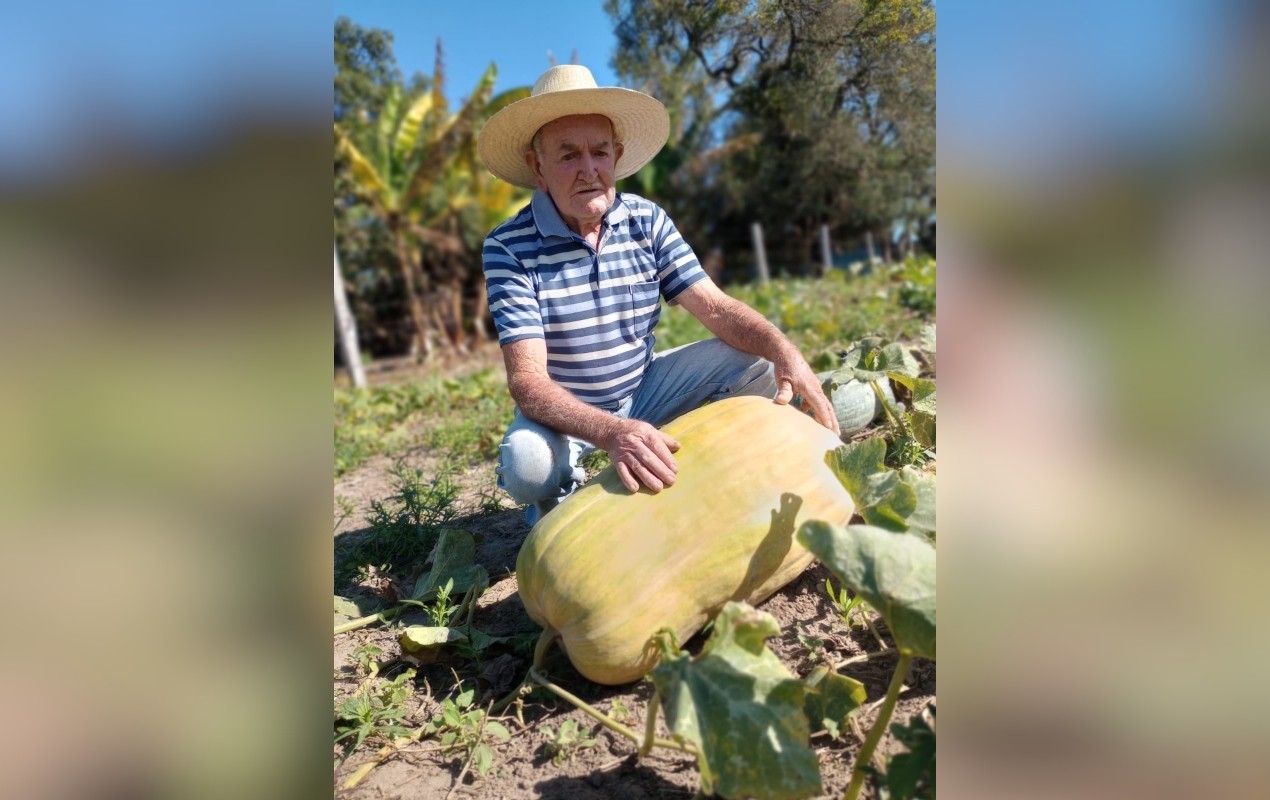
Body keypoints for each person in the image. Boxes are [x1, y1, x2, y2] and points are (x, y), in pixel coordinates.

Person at [477, 65, 838, 525]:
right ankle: (568, 501)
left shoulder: (646, 220)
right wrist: (610, 432)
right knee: (527, 466)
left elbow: (717, 308)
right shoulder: (508, 246)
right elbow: (527, 383)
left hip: (646, 391)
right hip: (567, 417)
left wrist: (785, 350)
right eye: (568, 155)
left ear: (617, 156)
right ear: (537, 166)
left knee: (761, 362)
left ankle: (694, 465)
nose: (588, 169)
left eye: (599, 152)